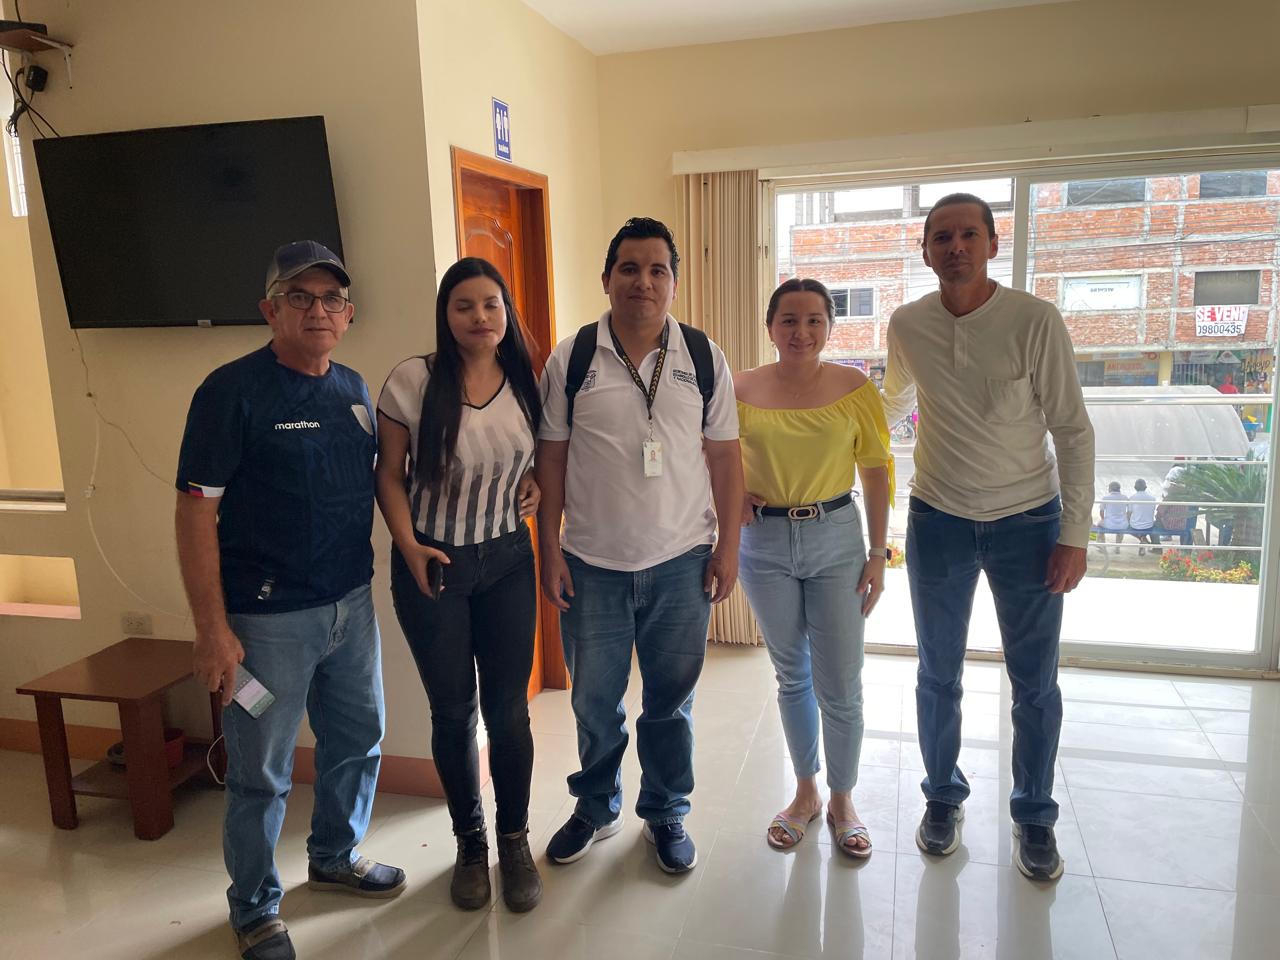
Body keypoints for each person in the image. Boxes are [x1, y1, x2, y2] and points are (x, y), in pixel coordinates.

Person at [176, 241, 405, 960]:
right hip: (264, 624)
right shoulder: (230, 392)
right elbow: (195, 513)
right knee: (262, 773)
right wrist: (212, 629)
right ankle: (254, 908)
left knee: (359, 738)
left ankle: (335, 856)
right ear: (269, 310)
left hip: (350, 608)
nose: (318, 310)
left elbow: (382, 482)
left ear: (349, 313)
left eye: (331, 298)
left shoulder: (353, 390)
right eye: (299, 297)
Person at [882, 193, 1095, 883]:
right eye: (941, 237)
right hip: (938, 519)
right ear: (925, 252)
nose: (955, 247)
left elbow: (1073, 430)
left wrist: (1074, 534)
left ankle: (1034, 813)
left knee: (1034, 681)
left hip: (1028, 522)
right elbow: (889, 404)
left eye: (968, 234)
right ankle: (942, 796)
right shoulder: (908, 324)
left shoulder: (1035, 320)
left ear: (992, 245)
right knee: (936, 673)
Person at [535, 217, 744, 874]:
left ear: (674, 283)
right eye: (629, 268)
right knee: (594, 702)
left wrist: (728, 547)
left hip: (683, 561)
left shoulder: (703, 357)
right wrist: (549, 549)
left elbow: (725, 459)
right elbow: (551, 460)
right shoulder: (572, 358)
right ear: (607, 279)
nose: (643, 282)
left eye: (658, 270)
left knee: (670, 703)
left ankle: (665, 810)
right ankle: (596, 806)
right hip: (591, 565)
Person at [374, 258, 543, 913]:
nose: (480, 317)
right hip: (432, 564)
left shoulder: (526, 378)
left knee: (509, 713)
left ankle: (514, 841)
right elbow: (388, 475)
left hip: (508, 560)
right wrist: (408, 545)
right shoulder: (411, 381)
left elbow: (538, 455)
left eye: (491, 304)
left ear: (507, 312)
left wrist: (535, 483)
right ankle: (471, 846)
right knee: (453, 713)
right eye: (464, 305)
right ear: (445, 314)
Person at [734, 278, 893, 858]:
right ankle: (805, 794)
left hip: (836, 539)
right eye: (789, 320)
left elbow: (875, 468)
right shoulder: (740, 388)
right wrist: (732, 495)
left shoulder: (854, 387)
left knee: (841, 683)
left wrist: (878, 553)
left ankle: (843, 799)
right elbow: (711, 453)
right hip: (763, 542)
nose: (801, 332)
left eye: (813, 321)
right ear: (770, 327)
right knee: (791, 675)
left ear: (829, 327)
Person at [1128, 478, 1159, 553]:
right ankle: (1144, 540)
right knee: (1153, 526)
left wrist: (1128, 521)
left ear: (1135, 487)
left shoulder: (1132, 498)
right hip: (1149, 525)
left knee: (1127, 527)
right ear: (1145, 487)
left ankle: (1143, 539)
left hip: (1135, 526)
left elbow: (1129, 513)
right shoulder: (1152, 498)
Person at [1100, 480, 1130, 552]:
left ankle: (1103, 547)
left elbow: (1101, 512)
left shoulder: (1105, 498)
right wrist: (1126, 519)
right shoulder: (1125, 497)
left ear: (1110, 489)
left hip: (1109, 524)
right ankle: (1117, 548)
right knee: (1121, 529)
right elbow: (1129, 511)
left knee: (1099, 527)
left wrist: (1103, 520)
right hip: (1122, 524)